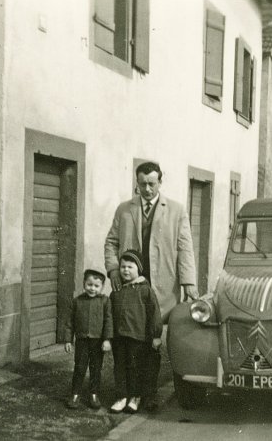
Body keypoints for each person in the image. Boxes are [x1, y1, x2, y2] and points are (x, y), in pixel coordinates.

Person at [104, 161, 198, 411]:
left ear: (160, 182)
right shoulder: (124, 209)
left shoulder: (176, 211)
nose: (146, 189)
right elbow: (111, 242)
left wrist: (188, 282)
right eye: (142, 184)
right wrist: (113, 269)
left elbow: (185, 247)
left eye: (152, 184)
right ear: (137, 183)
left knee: (153, 342)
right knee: (129, 342)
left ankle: (149, 393)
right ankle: (128, 392)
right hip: (129, 288)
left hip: (161, 285)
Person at [109, 250, 163, 414]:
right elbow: (109, 314)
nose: (125, 270)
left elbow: (154, 314)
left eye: (130, 267)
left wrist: (155, 335)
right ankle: (121, 396)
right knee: (120, 367)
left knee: (135, 367)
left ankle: (135, 396)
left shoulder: (145, 290)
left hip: (138, 337)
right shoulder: (116, 292)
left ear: (138, 269)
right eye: (122, 267)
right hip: (119, 337)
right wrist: (108, 336)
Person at [63, 269, 113, 410]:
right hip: (82, 341)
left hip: (98, 342)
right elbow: (70, 323)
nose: (92, 288)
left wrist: (107, 339)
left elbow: (108, 322)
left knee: (96, 368)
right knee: (79, 368)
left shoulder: (105, 301)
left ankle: (94, 394)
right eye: (89, 284)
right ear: (84, 284)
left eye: (96, 286)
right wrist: (68, 340)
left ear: (102, 287)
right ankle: (75, 394)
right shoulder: (77, 301)